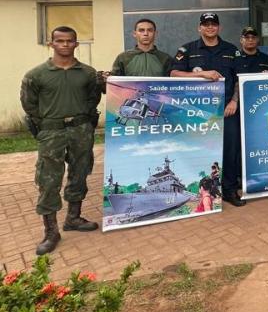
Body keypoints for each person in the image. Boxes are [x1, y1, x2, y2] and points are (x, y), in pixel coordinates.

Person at [20, 25, 102, 255]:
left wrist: (82, 118)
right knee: (48, 179)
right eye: (60, 41)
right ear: (52, 43)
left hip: (80, 130)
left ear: (76, 44)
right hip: (52, 132)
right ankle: (51, 231)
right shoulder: (36, 75)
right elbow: (29, 104)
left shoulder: (87, 73)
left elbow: (93, 98)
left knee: (80, 172)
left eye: (69, 41)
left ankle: (73, 218)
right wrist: (47, 124)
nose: (65, 45)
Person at [171, 12, 244, 207]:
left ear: (219, 27)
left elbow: (238, 79)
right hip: (198, 112)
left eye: (213, 24)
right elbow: (174, 73)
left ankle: (229, 190)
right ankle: (202, 191)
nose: (210, 27)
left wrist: (234, 102)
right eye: (206, 24)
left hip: (226, 109)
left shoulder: (231, 49)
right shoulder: (187, 49)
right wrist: (202, 74)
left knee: (230, 150)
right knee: (200, 149)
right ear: (199, 27)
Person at [103, 17, 173, 79]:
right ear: (134, 34)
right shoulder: (123, 58)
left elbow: (173, 85)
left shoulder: (165, 58)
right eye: (141, 30)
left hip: (159, 94)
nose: (146, 34)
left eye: (150, 30)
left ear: (155, 33)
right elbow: (114, 84)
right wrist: (106, 78)